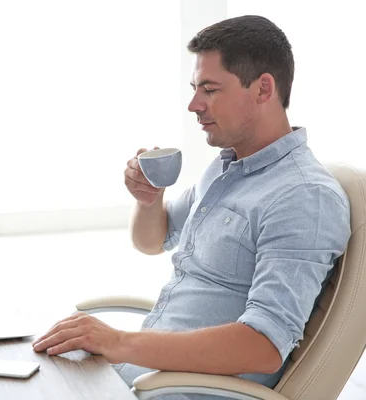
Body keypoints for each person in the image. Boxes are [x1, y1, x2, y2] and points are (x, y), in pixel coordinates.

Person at [32, 14, 351, 399]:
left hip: (172, 390)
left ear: (264, 88)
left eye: (210, 89)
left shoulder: (303, 198)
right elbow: (154, 240)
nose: (193, 104)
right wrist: (149, 200)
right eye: (194, 88)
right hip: (136, 376)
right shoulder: (226, 166)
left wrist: (118, 341)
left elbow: (263, 346)